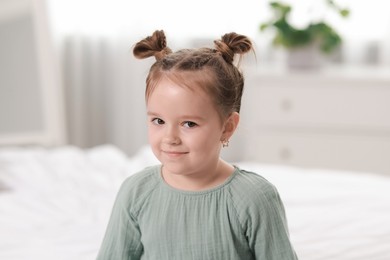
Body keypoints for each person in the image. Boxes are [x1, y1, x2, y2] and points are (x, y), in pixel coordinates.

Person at [96, 30, 298, 260]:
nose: (170, 137)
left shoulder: (254, 198)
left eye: (189, 124)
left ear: (227, 127)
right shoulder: (136, 193)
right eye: (158, 121)